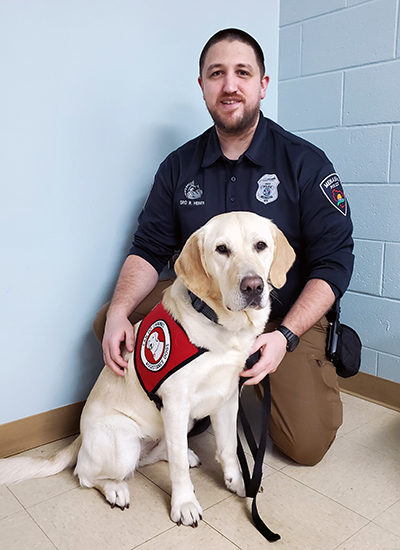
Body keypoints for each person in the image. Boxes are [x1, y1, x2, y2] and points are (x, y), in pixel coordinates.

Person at [93, 29, 354, 466]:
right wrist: (120, 311)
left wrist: (285, 337)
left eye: (242, 73)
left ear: (263, 84)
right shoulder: (178, 167)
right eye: (217, 74)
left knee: (306, 445)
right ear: (202, 86)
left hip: (279, 316)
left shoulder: (305, 163)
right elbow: (149, 247)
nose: (229, 85)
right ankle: (188, 405)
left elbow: (335, 262)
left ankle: (238, 380)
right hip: (203, 307)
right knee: (110, 321)